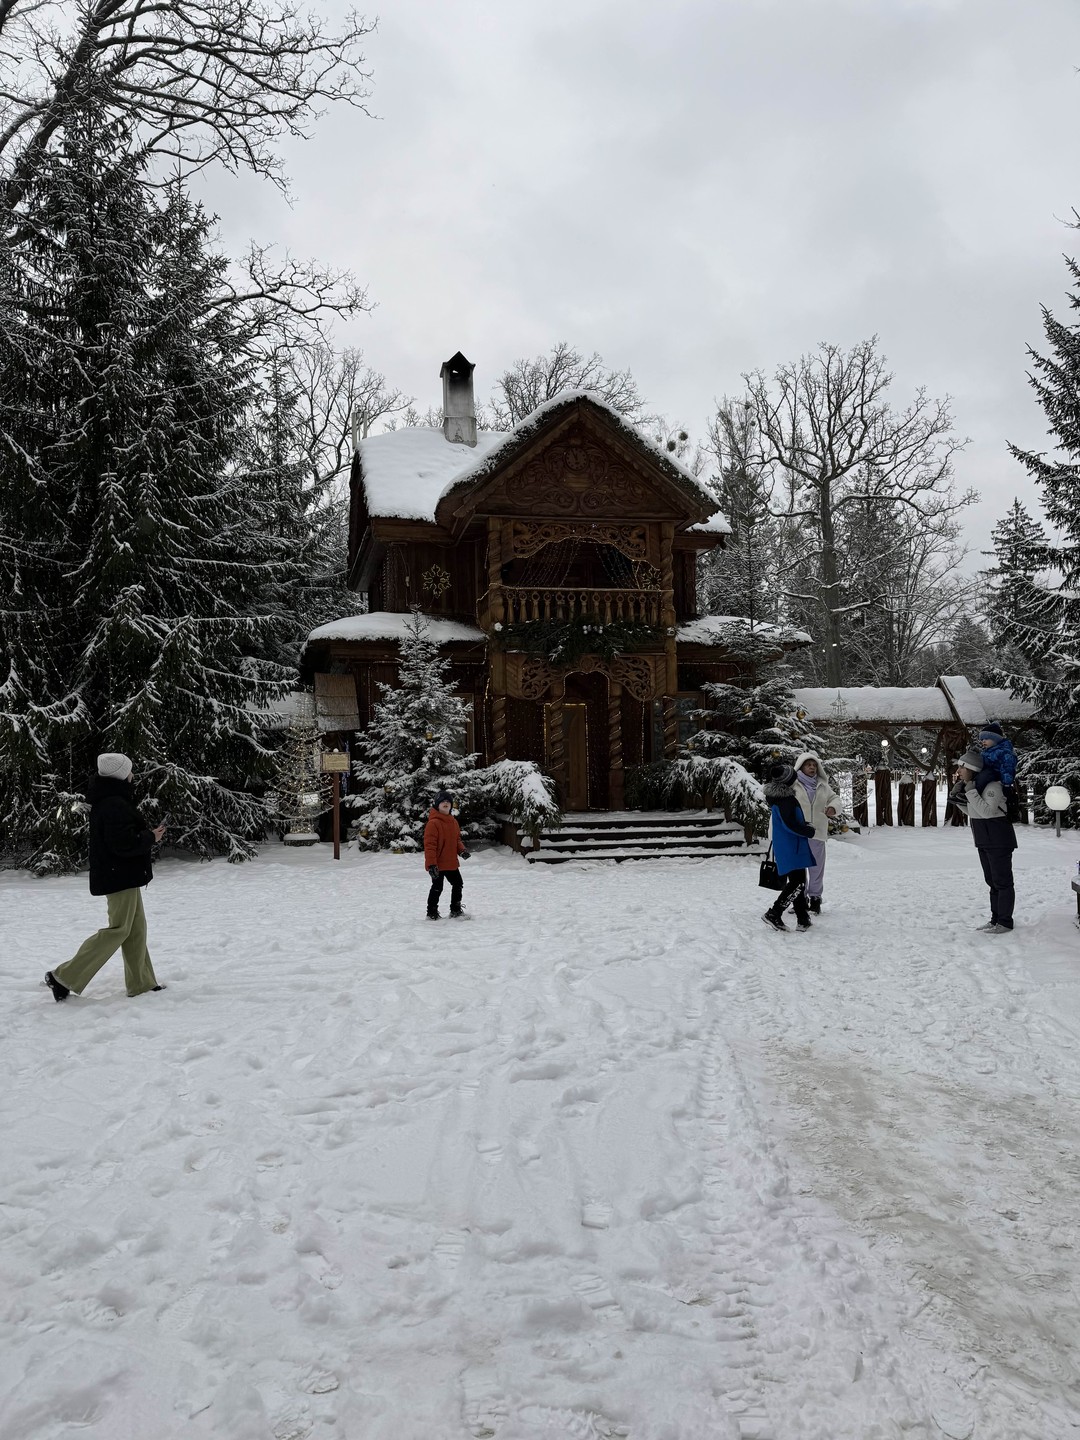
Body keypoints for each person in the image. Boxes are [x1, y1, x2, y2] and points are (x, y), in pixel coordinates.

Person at [44, 753, 167, 1001]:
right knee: (119, 929)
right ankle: (63, 976)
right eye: (130, 770)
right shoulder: (114, 803)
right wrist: (150, 837)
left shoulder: (112, 799)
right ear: (121, 774)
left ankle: (141, 983)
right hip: (118, 875)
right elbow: (122, 844)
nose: (134, 774)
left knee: (135, 929)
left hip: (123, 875)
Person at [948, 747, 1017, 934]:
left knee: (1002, 882)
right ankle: (995, 919)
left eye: (962, 767)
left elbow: (987, 812)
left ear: (971, 768)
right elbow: (975, 813)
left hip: (999, 840)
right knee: (992, 882)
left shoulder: (992, 786)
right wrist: (958, 799)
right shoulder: (975, 786)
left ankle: (1005, 922)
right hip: (984, 839)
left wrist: (969, 792)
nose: (958, 771)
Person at [762, 763, 816, 933]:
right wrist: (807, 830)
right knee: (798, 882)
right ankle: (774, 913)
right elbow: (789, 823)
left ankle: (802, 918)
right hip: (792, 845)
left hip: (788, 844)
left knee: (797, 880)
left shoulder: (781, 798)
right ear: (789, 781)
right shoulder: (786, 800)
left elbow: (789, 821)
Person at [793, 751, 841, 914]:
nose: (812, 768)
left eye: (814, 765)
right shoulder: (793, 784)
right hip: (798, 832)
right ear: (801, 766)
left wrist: (833, 808)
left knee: (816, 867)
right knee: (799, 868)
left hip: (817, 832)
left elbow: (835, 798)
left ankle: (815, 898)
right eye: (808, 765)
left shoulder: (823, 785)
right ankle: (799, 898)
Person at [424, 791, 471, 921]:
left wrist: (462, 851)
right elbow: (430, 846)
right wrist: (431, 864)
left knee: (458, 884)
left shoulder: (453, 822)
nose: (446, 803)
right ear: (437, 805)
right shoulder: (433, 823)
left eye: (448, 802)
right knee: (437, 887)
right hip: (438, 864)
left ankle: (455, 910)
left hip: (451, 862)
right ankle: (431, 912)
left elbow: (456, 840)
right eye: (443, 801)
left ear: (451, 806)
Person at [977, 722, 1020, 820]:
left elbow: (1008, 768)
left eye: (986, 739)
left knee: (985, 775)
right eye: (982, 739)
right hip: (989, 776)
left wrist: (1006, 783)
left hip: (997, 776)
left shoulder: (1005, 752)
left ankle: (975, 792)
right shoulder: (987, 751)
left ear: (995, 739)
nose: (983, 741)